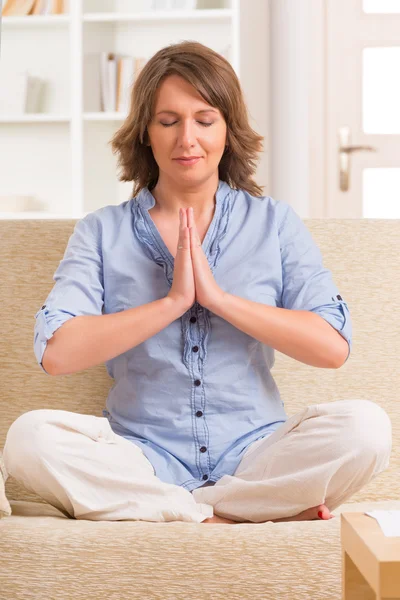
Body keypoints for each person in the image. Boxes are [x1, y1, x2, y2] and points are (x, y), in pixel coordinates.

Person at [0, 41, 392, 524]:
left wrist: (219, 299)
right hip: (141, 456)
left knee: (366, 430)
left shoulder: (274, 223)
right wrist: (172, 302)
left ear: (228, 131)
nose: (187, 139)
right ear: (145, 132)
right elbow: (58, 353)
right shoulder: (101, 231)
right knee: (29, 439)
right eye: (168, 121)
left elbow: (331, 347)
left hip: (255, 452)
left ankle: (179, 512)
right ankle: (223, 512)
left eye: (204, 120)